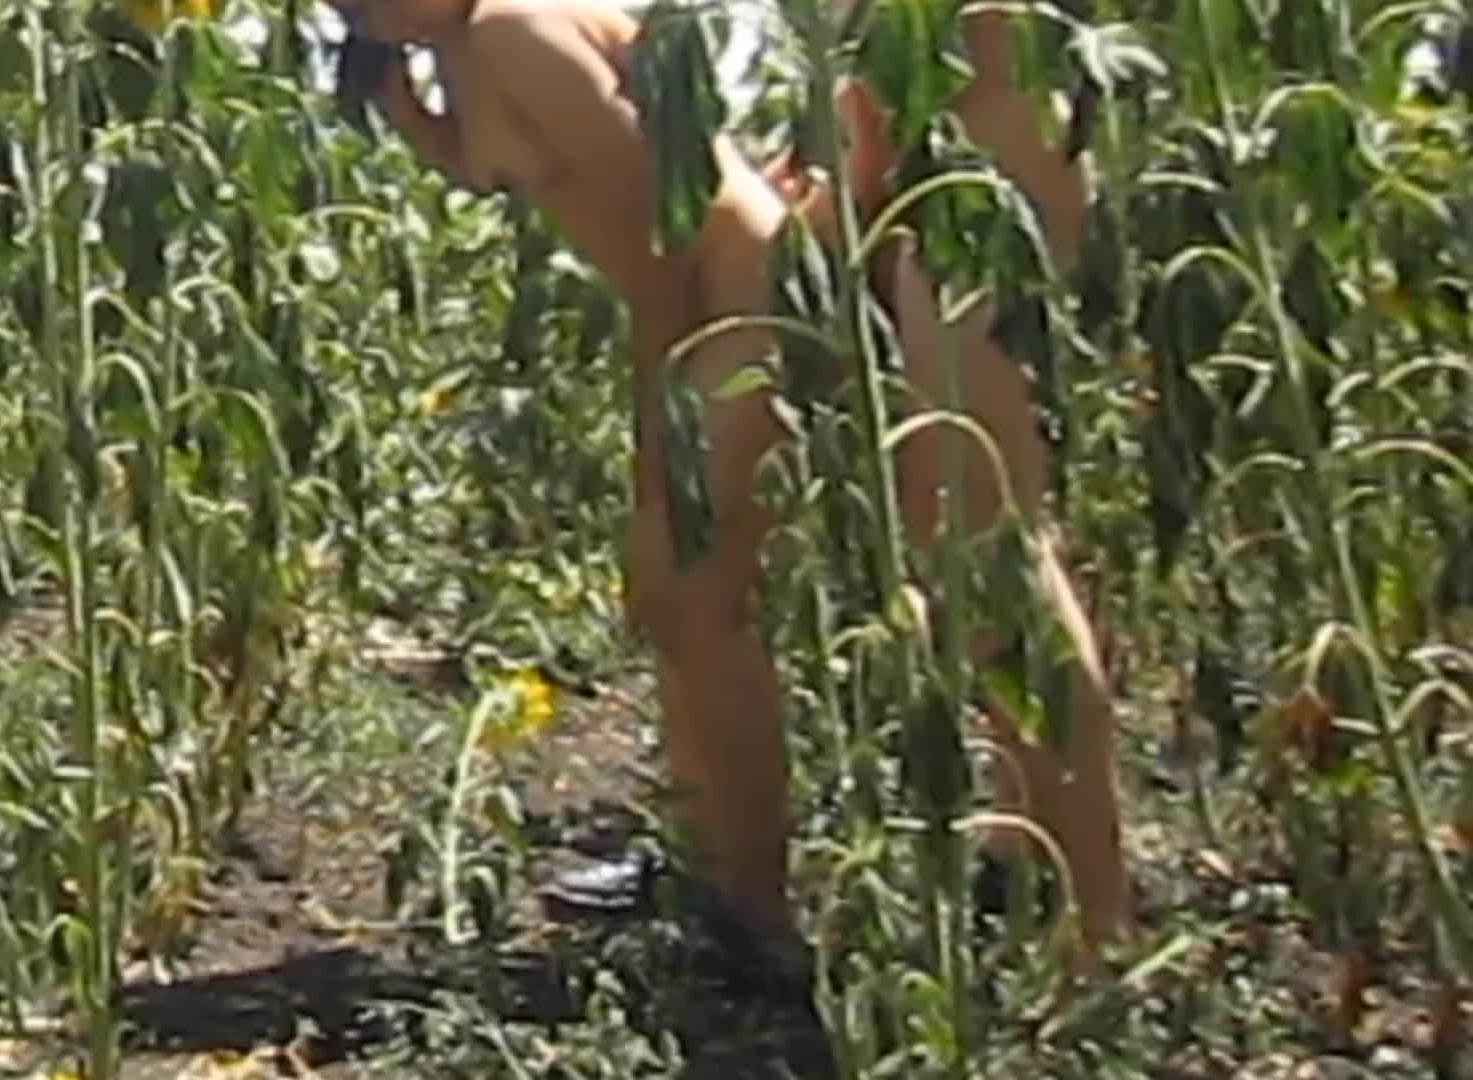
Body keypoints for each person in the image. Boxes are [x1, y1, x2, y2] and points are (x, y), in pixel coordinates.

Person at [331, 0, 1131, 975]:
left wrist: (658, 429)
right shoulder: (473, 48)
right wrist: (412, 114)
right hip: (831, 230)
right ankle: (770, 872)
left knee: (920, 554)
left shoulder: (510, 31)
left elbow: (665, 244)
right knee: (727, 588)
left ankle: (773, 910)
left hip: (740, 301)